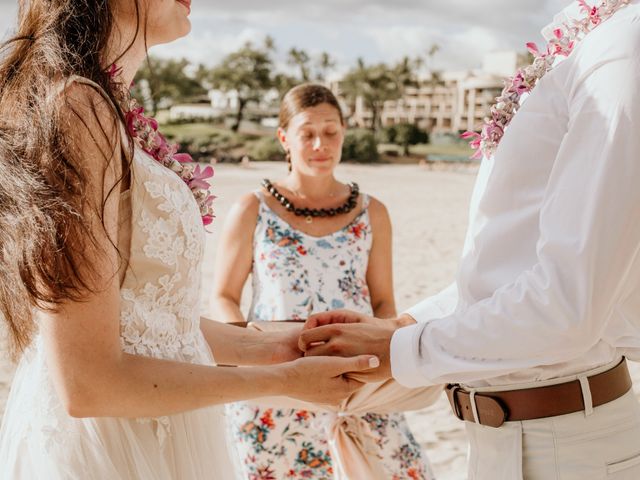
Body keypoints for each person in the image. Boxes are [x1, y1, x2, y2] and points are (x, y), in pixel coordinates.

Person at [0, 1, 378, 478]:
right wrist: (281, 381)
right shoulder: (78, 108)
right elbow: (87, 383)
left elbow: (153, 324)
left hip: (157, 429)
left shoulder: (104, 107)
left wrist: (278, 346)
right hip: (111, 448)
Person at [299, 1, 640, 479]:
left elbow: (569, 305)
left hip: (566, 444)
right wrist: (401, 324)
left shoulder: (626, 44)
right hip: (506, 438)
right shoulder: (600, 37)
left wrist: (402, 350)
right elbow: (516, 266)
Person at [211, 83, 435, 479]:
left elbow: (384, 304)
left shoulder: (373, 213)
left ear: (345, 132)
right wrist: (252, 352)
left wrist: (380, 365)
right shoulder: (251, 208)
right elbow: (225, 296)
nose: (320, 144)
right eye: (307, 133)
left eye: (331, 132)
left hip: (355, 382)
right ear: (284, 138)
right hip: (274, 385)